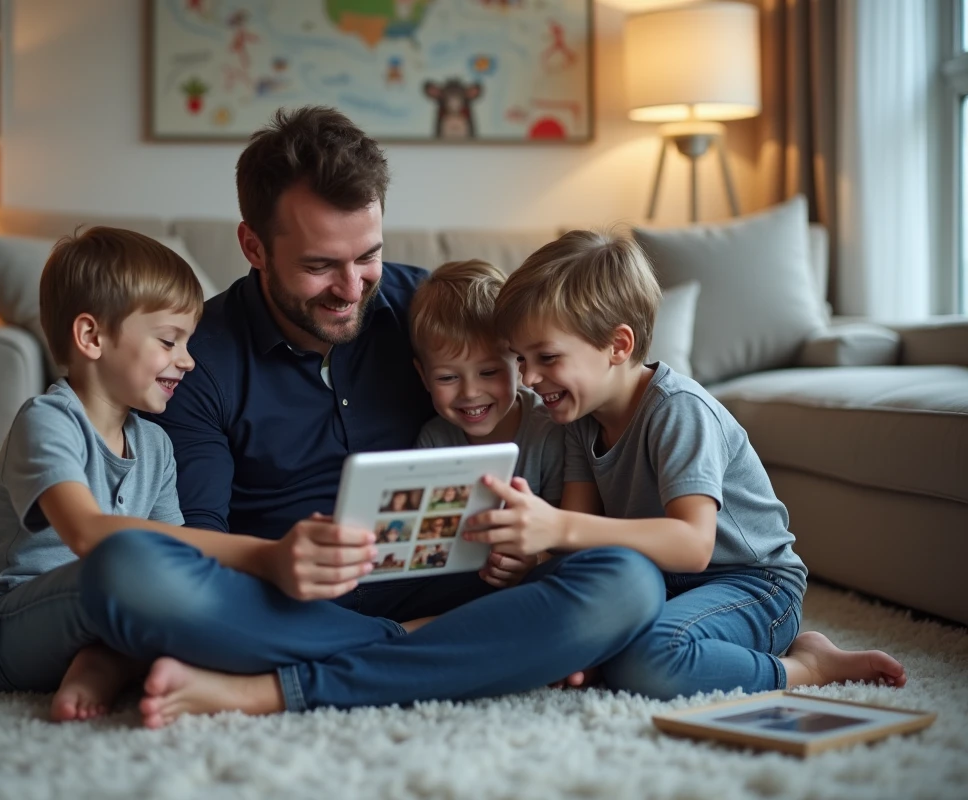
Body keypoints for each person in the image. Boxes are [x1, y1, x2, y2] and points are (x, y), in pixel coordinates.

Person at [136, 106, 666, 725]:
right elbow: (200, 544)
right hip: (292, 605)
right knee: (148, 587)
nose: (352, 287)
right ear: (253, 246)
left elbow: (575, 364)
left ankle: (276, 689)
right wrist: (276, 560)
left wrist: (533, 558)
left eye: (367, 256)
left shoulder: (430, 310)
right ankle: (455, 646)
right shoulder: (200, 361)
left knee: (626, 583)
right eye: (318, 266)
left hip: (466, 588)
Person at [465, 228, 907, 699]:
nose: (530, 379)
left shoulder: (678, 410)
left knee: (650, 661)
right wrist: (530, 559)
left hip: (752, 584)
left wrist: (557, 527)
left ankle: (809, 667)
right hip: (659, 580)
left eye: (547, 357)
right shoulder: (578, 419)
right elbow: (577, 543)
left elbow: (693, 545)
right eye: (521, 359)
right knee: (543, 589)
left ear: (618, 345)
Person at [0, 227, 212, 721]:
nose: (188, 360)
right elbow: (90, 536)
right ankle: (109, 660)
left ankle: (103, 663)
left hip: (106, 612)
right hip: (0, 633)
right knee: (124, 567)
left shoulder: (157, 446)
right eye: (170, 340)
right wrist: (258, 556)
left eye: (188, 342)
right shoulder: (45, 421)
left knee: (187, 586)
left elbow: (175, 556)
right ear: (92, 337)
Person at [409, 258, 564, 588]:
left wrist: (533, 562)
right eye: (448, 377)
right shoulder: (433, 441)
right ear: (422, 376)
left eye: (489, 372)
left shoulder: (550, 431)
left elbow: (567, 541)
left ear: (519, 362)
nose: (470, 392)